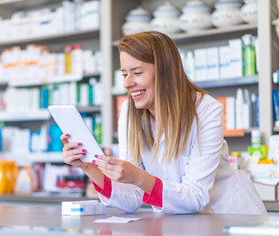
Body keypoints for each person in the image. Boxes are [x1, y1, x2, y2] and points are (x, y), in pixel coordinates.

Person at [60, 31, 266, 215]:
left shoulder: (206, 110)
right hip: (183, 224)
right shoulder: (129, 114)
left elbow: (195, 197)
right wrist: (88, 167)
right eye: (124, 74)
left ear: (165, 72)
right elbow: (131, 200)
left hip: (230, 217)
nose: (127, 83)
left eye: (137, 73)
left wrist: (139, 177)